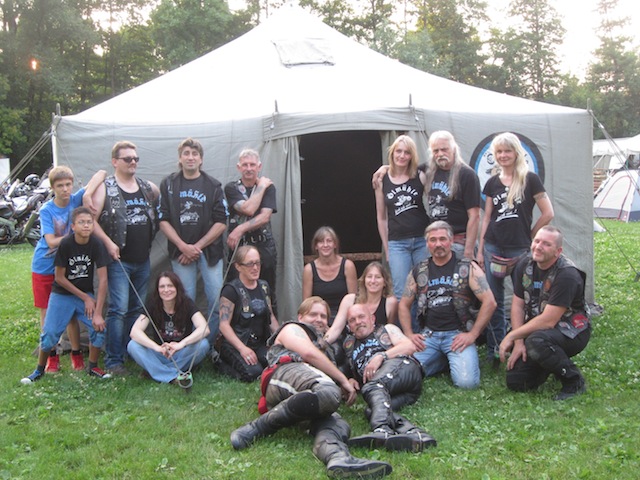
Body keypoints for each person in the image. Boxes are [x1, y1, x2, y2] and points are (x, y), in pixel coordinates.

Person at [230, 297, 392, 479]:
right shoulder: (293, 328)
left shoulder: (326, 349)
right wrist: (342, 380)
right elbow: (308, 353)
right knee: (329, 393)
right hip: (286, 372)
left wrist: (347, 383)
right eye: (313, 314)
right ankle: (256, 427)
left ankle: (338, 458)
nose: (319, 319)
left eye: (323, 316)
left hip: (307, 397)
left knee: (339, 424)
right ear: (300, 316)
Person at [478, 132, 554, 363]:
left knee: (525, 299)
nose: (503, 155)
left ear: (516, 153)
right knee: (494, 300)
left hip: (519, 250)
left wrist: (532, 236)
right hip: (493, 248)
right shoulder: (492, 183)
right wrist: (480, 249)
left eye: (507, 151)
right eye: (499, 152)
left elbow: (548, 213)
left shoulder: (530, 179)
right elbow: (487, 217)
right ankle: (495, 349)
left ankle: (524, 345)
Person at [86, 140, 159, 376]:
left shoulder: (146, 187)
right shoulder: (106, 187)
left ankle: (131, 353)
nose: (133, 162)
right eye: (127, 159)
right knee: (118, 309)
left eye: (136, 158)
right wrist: (108, 243)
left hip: (143, 258)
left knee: (136, 309)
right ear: (115, 161)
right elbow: (91, 220)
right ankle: (114, 360)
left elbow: (160, 196)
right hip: (119, 260)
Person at [399, 221, 496, 389]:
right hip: (429, 336)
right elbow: (403, 305)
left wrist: (472, 334)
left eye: (442, 239)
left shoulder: (467, 267)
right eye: (433, 240)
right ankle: (445, 360)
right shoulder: (419, 270)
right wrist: (409, 334)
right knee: (405, 371)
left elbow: (490, 302)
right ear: (427, 243)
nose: (438, 244)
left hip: (457, 335)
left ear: (451, 241)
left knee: (467, 383)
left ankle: (449, 358)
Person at [499, 226, 591, 400]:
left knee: (537, 341)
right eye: (537, 241)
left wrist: (511, 336)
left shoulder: (567, 274)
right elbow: (518, 305)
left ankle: (573, 381)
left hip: (572, 330)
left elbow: (549, 321)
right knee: (517, 382)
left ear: (558, 251)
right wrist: (518, 342)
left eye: (547, 244)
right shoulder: (524, 265)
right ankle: (551, 363)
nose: (539, 247)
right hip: (540, 330)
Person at [21, 207, 111, 384]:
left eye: (89, 222)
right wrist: (85, 298)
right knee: (49, 334)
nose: (86, 225)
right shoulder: (66, 244)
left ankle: (93, 367)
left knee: (99, 328)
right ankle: (39, 370)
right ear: (73, 226)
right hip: (62, 294)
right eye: (81, 222)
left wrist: (98, 312)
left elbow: (103, 280)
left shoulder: (97, 244)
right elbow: (59, 278)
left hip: (84, 295)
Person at [32, 166, 106, 372]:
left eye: (68, 185)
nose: (65, 189)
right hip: (45, 265)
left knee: (72, 313)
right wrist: (78, 233)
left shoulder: (76, 199)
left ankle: (75, 353)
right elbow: (50, 241)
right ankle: (52, 355)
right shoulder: (47, 210)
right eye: (60, 186)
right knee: (48, 312)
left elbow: (101, 173)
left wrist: (88, 194)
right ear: (52, 188)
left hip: (71, 265)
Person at [158, 138, 228, 342]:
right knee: (183, 300)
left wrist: (196, 247)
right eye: (186, 153)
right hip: (180, 253)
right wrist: (183, 247)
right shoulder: (169, 184)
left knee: (216, 300)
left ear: (201, 159)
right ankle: (188, 344)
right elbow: (162, 220)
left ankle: (211, 345)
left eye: (195, 154)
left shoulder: (213, 185)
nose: (190, 157)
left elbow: (221, 222)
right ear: (180, 158)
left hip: (210, 252)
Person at [343, 304, 436, 452]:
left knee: (373, 387)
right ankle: (415, 434)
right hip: (390, 391)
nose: (358, 322)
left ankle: (382, 430)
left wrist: (381, 356)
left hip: (403, 370)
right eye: (352, 320)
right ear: (349, 326)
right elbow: (349, 370)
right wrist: (350, 379)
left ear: (372, 319)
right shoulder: (349, 345)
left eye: (361, 317)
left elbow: (409, 346)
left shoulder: (387, 329)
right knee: (373, 409)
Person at [373, 135, 429, 313]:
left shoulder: (420, 176)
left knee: (424, 288)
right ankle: (406, 328)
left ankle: (424, 327)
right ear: (392, 153)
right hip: (397, 243)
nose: (402, 156)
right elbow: (381, 217)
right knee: (402, 292)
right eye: (398, 151)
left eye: (407, 152)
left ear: (412, 156)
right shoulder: (382, 180)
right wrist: (387, 248)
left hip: (422, 240)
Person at [127, 272, 210, 384]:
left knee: (203, 344)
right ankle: (172, 376)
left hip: (181, 354)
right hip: (160, 353)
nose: (166, 290)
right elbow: (135, 332)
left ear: (177, 287)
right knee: (133, 345)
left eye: (170, 286)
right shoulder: (153, 304)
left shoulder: (187, 303)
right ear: (157, 289)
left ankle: (155, 370)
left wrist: (181, 344)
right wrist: (157, 348)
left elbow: (204, 328)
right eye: (162, 287)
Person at [225, 148, 278, 312]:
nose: (249, 168)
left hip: (264, 246)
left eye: (252, 165)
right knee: (237, 289)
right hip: (240, 246)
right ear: (238, 167)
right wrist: (260, 185)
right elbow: (248, 209)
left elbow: (264, 217)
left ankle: (271, 325)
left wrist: (240, 228)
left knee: (267, 290)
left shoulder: (269, 188)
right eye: (245, 165)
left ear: (259, 166)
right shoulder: (231, 188)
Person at [218, 246, 278, 382]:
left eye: (257, 263)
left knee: (276, 364)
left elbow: (271, 317)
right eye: (250, 264)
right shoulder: (230, 290)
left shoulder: (264, 286)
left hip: (259, 342)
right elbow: (223, 325)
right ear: (238, 266)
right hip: (236, 343)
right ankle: (221, 364)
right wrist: (242, 349)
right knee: (253, 373)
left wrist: (280, 339)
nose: (255, 268)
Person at [423, 131, 481, 259]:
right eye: (436, 151)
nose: (440, 154)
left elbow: (474, 216)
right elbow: (403, 170)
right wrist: (385, 169)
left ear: (454, 149)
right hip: (436, 242)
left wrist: (468, 251)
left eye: (444, 149)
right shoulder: (429, 170)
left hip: (459, 242)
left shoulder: (467, 175)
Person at [324, 261, 397, 344]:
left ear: (385, 282)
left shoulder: (390, 303)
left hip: (377, 346)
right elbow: (335, 329)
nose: (373, 281)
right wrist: (322, 344)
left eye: (377, 277)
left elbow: (390, 332)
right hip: (350, 346)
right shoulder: (349, 300)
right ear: (364, 280)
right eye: (369, 277)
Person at [302, 226, 357, 322]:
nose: (325, 245)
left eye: (329, 241)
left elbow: (354, 299)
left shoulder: (348, 266)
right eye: (321, 242)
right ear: (316, 246)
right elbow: (307, 304)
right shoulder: (309, 269)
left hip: (344, 318)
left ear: (335, 244)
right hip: (319, 318)